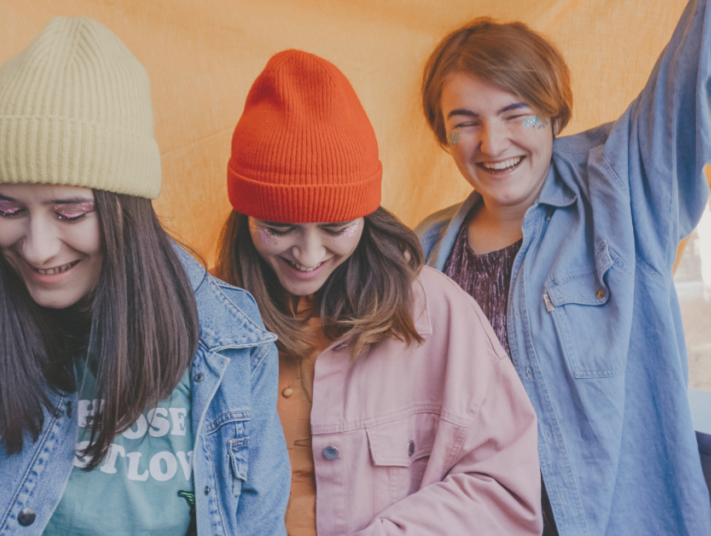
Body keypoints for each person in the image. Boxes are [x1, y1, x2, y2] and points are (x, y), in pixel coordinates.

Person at [0, 17, 288, 536]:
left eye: (69, 212)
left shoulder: (231, 341)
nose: (37, 247)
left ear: (125, 210)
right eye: (8, 208)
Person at [415, 0, 711, 534]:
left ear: (554, 112)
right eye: (465, 124)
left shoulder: (620, 191)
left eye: (516, 115)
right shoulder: (423, 252)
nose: (492, 143)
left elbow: (699, 75)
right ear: (445, 137)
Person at [214, 49, 541, 536]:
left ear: (366, 216)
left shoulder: (438, 314)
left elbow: (504, 491)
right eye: (279, 228)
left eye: (335, 227)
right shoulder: (201, 320)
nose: (307, 254)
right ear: (246, 217)